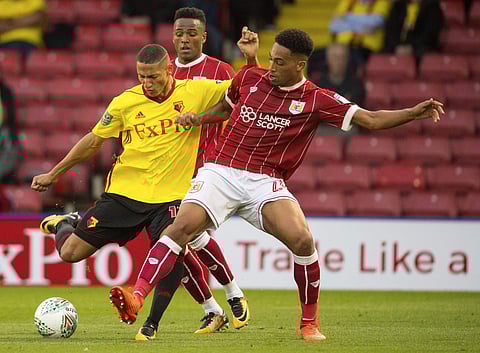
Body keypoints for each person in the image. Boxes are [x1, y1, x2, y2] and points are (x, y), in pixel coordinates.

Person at [108, 28, 443, 342]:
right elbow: (226, 105)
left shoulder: (316, 99)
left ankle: (309, 322)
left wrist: (413, 112)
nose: (272, 67)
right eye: (270, 58)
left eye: (280, 62)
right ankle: (136, 298)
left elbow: (370, 119)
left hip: (265, 180)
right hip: (222, 170)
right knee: (181, 227)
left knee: (302, 240)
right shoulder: (251, 76)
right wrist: (199, 118)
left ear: (300, 64)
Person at [30, 43, 239, 334]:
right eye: (142, 76)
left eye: (153, 76)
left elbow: (243, 88)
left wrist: (251, 56)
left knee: (172, 251)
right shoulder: (124, 102)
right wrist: (54, 173)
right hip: (125, 195)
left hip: (170, 197)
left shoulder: (196, 91)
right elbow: (93, 141)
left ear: (169, 69)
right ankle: (66, 223)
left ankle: (151, 324)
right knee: (69, 253)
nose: (147, 83)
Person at [134, 7, 254, 341]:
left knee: (183, 236)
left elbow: (236, 108)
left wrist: (199, 117)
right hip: (166, 167)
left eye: (191, 33)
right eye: (179, 33)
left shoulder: (219, 70)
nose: (184, 39)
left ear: (203, 36)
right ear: (171, 37)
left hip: (206, 163)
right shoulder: (160, 69)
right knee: (181, 242)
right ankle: (218, 306)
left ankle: (226, 297)